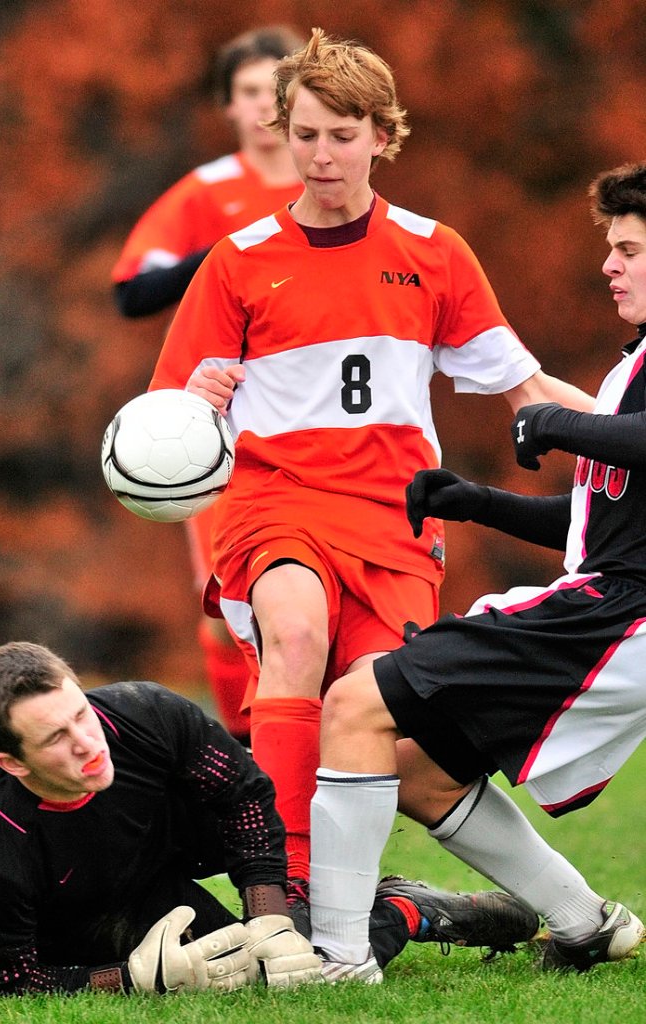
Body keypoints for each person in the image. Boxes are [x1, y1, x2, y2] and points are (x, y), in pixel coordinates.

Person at [147, 28, 594, 908]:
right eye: (304, 134)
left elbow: (527, 390)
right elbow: (164, 425)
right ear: (282, 130)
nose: (320, 156)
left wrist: (628, 432)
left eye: (341, 136)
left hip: (392, 523)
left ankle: (442, 911)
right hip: (274, 504)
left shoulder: (434, 252)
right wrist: (198, 398)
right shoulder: (236, 262)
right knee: (297, 637)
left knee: (371, 724)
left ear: (383, 137)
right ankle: (280, 900)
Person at [308, 160, 646, 979]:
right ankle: (586, 925)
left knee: (355, 705)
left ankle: (338, 959)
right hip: (607, 606)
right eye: (612, 248)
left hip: (616, 616)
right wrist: (475, 501)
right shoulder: (633, 365)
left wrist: (553, 419)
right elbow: (596, 522)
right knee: (418, 773)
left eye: (630, 249)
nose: (609, 264)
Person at [0, 641, 536, 994]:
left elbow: (245, 798)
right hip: (97, 914)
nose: (88, 743)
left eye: (80, 715)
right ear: (12, 763)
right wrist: (128, 979)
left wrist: (268, 916)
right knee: (256, 978)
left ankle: (320, 908)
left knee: (288, 948)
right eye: (56, 739)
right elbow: (0, 982)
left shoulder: (147, 714)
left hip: (181, 843)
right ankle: (407, 910)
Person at [112, 26, 306, 747]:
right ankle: (244, 757)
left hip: (312, 423)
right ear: (226, 104)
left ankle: (315, 751)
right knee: (227, 610)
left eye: (274, 91)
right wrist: (224, 252)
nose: (262, 107)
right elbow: (132, 291)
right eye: (248, 91)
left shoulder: (333, 186)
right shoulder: (211, 191)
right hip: (220, 424)